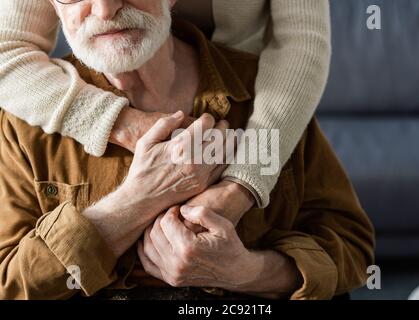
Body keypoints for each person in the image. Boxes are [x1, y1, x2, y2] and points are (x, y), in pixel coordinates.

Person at [0, 0, 374, 300]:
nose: (104, 9)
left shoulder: (271, 102)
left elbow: (351, 249)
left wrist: (249, 272)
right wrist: (134, 202)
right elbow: (10, 284)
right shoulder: (26, 118)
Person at [0, 0, 331, 214]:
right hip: (111, 95)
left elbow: (301, 40)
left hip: (251, 103)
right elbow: (6, 50)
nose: (105, 9)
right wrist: (120, 122)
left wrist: (243, 185)